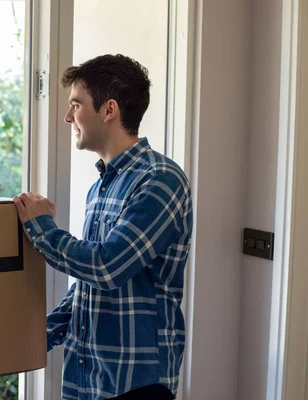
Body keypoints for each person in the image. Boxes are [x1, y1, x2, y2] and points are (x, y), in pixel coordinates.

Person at [13, 54, 193, 399]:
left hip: (135, 385)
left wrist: (40, 227)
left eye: (76, 105)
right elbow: (89, 285)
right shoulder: (101, 187)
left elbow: (106, 266)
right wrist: (35, 337)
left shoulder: (160, 180)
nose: (69, 117)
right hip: (88, 377)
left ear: (109, 110)